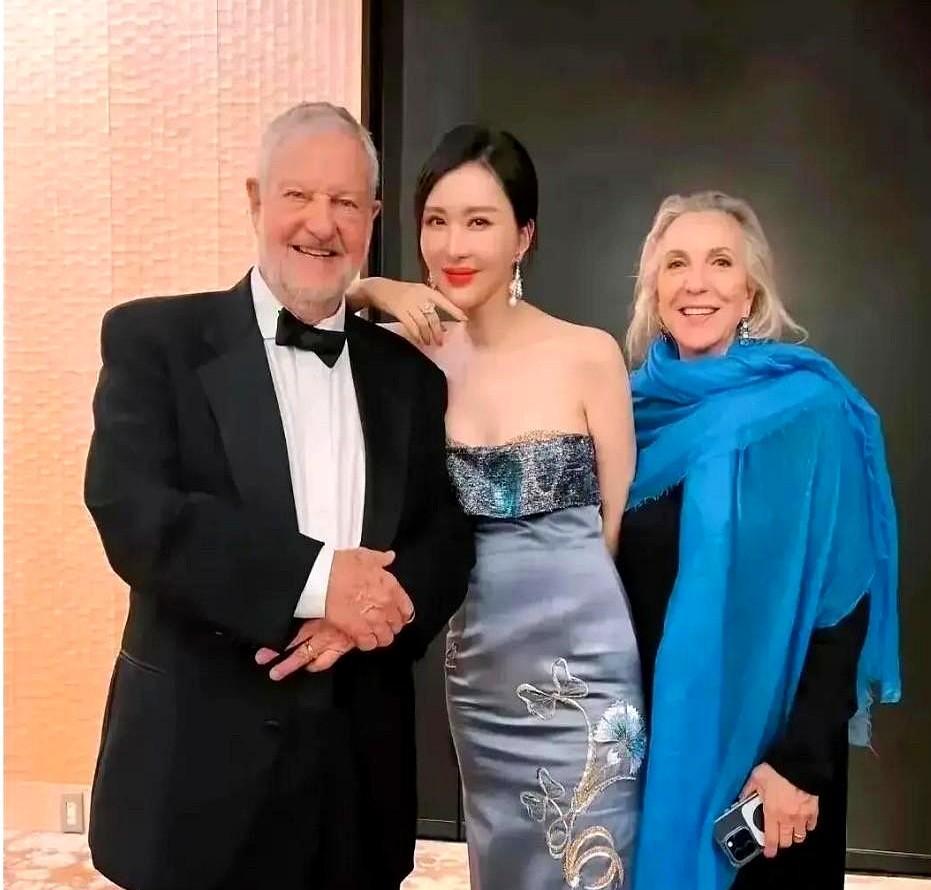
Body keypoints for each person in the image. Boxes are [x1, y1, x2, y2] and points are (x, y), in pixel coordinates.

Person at [83, 101, 473, 890]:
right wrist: (321, 582)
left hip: (356, 776)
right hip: (195, 772)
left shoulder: (410, 376)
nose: (320, 224)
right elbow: (132, 511)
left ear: (370, 219)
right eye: (298, 195)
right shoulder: (155, 340)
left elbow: (443, 537)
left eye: (344, 202)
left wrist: (370, 613)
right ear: (257, 200)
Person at [348, 124, 644, 890]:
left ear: (523, 237)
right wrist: (375, 289)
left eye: (479, 221)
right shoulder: (397, 357)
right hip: (480, 669)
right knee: (502, 860)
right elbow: (301, 303)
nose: (454, 245)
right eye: (436, 221)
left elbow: (615, 527)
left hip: (587, 668)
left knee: (593, 865)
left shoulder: (587, 353)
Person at [614, 191, 901, 890]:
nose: (696, 283)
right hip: (646, 758)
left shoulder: (810, 411)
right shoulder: (621, 411)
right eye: (676, 263)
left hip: (770, 773)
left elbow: (843, 606)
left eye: (720, 262)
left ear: (750, 291)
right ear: (654, 289)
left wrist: (799, 765)